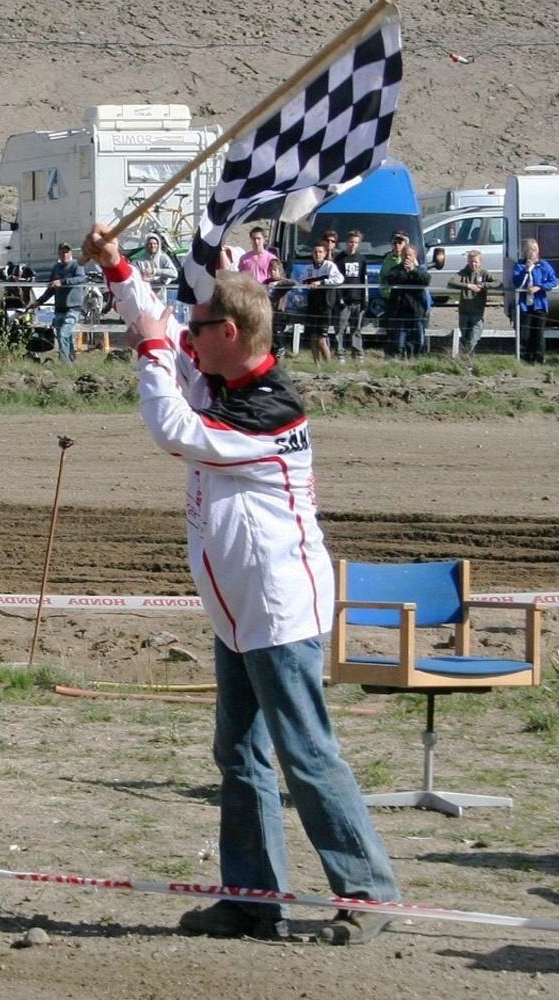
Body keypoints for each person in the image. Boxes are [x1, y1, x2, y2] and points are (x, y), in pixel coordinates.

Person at [82, 221, 399, 946]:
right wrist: (117, 270)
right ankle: (254, 898)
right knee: (242, 755)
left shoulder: (265, 414)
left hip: (279, 612)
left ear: (230, 331)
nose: (188, 337)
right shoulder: (230, 382)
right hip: (237, 611)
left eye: (199, 329)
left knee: (306, 753)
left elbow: (171, 426)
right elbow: (160, 328)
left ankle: (370, 890)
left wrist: (157, 352)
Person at [34, 243, 89, 363]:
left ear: (71, 253)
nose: (65, 255)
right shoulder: (56, 268)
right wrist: (39, 301)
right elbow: (51, 288)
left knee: (64, 333)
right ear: (59, 253)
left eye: (67, 252)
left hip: (73, 308)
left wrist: (63, 282)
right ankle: (71, 360)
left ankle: (64, 363)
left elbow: (81, 279)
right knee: (63, 335)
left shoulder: (76, 266)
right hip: (59, 308)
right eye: (62, 252)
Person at [292, 242, 343, 364]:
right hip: (312, 305)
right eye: (315, 252)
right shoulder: (309, 269)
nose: (317, 254)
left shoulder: (329, 266)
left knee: (321, 339)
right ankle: (317, 366)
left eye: (320, 252)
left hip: (325, 306)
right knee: (313, 338)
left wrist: (321, 282)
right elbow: (300, 281)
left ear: (325, 253)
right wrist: (305, 284)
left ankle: (328, 365)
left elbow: (339, 279)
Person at [510, 238, 558, 365]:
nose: (531, 253)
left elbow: (553, 282)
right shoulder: (519, 266)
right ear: (524, 251)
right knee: (525, 334)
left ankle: (539, 359)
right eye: (528, 250)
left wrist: (539, 287)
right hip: (525, 306)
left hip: (539, 305)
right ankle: (525, 359)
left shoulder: (544, 266)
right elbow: (516, 282)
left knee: (538, 334)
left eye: (534, 250)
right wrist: (526, 270)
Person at [382, 243, 430, 359]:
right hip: (400, 312)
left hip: (416, 311)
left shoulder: (420, 270)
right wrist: (406, 272)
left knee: (418, 340)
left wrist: (413, 270)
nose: (407, 258)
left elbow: (425, 280)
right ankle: (399, 362)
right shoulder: (395, 270)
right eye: (405, 255)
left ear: (415, 256)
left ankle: (416, 361)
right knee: (399, 342)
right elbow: (391, 279)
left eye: (409, 255)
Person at [448, 249, 495, 358]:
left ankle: (468, 361)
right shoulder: (463, 272)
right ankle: (465, 361)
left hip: (477, 312)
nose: (473, 264)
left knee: (473, 339)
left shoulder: (484, 273)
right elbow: (451, 281)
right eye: (470, 262)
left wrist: (484, 285)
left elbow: (497, 282)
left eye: (475, 262)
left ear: (480, 262)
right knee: (465, 338)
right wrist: (468, 285)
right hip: (464, 312)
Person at [332, 230, 369, 363]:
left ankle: (357, 353)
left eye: (355, 242)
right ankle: (340, 352)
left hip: (358, 298)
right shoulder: (339, 259)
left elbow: (364, 279)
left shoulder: (362, 259)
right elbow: (336, 279)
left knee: (356, 329)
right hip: (344, 300)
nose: (352, 245)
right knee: (340, 328)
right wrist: (339, 298)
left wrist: (365, 298)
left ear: (359, 244)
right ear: (346, 243)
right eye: (351, 242)